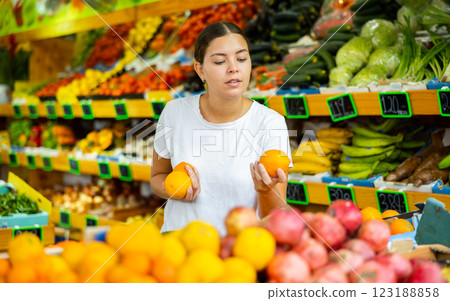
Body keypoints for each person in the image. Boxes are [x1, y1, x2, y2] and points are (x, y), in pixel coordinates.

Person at [150, 21, 292, 235]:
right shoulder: (174, 113)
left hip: (237, 251)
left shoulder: (270, 123)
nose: (234, 68)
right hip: (178, 248)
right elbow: (157, 177)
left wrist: (265, 191)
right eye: (219, 61)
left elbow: (274, 216)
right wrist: (175, 190)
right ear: (200, 70)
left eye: (242, 59)